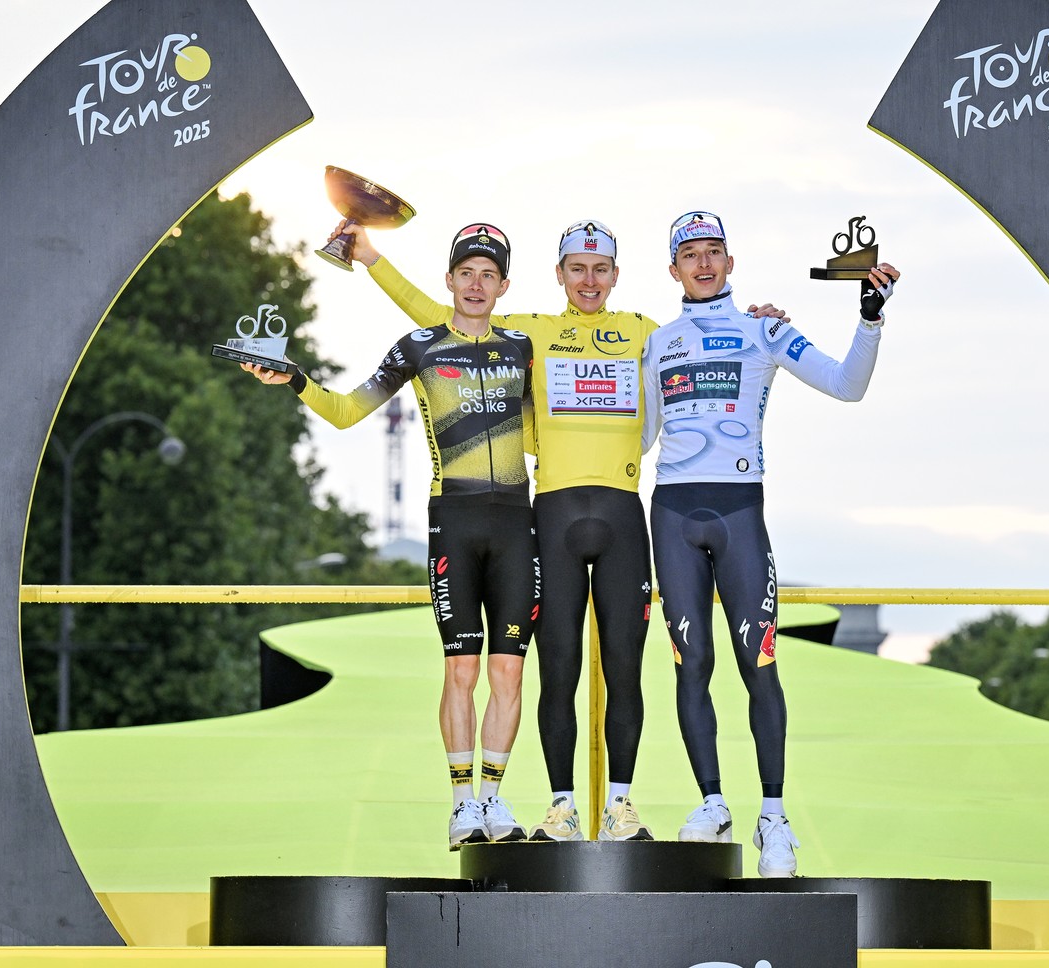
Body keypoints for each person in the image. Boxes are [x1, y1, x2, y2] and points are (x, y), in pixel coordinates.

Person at [333, 217, 790, 843]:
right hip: (551, 515)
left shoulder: (646, 332)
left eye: (600, 269)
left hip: (624, 515)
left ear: (617, 275)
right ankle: (562, 806)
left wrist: (761, 322)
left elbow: (710, 338)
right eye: (578, 269)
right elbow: (445, 316)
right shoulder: (532, 334)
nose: (589, 280)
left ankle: (620, 805)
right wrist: (371, 258)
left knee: (625, 670)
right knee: (559, 669)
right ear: (559, 275)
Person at [244, 223, 539, 850]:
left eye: (489, 275)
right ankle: (461, 805)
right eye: (467, 273)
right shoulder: (419, 346)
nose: (477, 285)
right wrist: (294, 379)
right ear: (449, 280)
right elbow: (349, 411)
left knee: (509, 673)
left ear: (504, 286)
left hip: (518, 522)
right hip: (453, 520)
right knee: (461, 668)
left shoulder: (523, 347)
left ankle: (492, 797)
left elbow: (558, 419)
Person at [640, 210, 899, 877]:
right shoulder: (658, 343)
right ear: (673, 269)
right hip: (671, 514)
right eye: (690, 254)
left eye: (713, 252)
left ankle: (774, 819)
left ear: (730, 263)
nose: (703, 264)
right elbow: (636, 438)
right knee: (690, 665)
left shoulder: (765, 329)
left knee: (759, 664)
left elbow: (847, 385)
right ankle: (713, 803)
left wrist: (869, 318)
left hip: (739, 513)